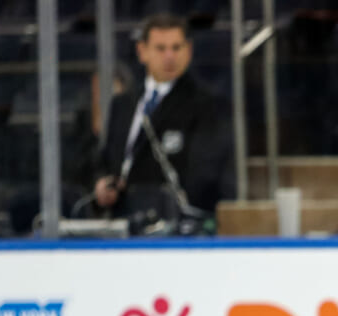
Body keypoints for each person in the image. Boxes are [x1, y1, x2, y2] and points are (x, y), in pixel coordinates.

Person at [91, 14, 233, 223]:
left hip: (173, 227)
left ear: (189, 51)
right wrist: (102, 184)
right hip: (120, 224)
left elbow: (203, 175)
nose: (169, 56)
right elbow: (106, 160)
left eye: (176, 48)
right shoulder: (123, 104)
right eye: (160, 48)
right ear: (142, 51)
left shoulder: (207, 105)